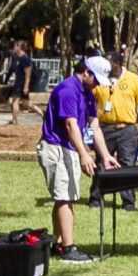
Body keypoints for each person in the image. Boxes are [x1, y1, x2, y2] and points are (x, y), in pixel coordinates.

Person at [38, 57, 109, 264]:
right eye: (96, 79)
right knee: (65, 198)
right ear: (86, 72)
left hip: (69, 148)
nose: (97, 84)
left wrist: (105, 155)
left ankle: (59, 242)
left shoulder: (88, 93)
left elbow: (93, 126)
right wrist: (84, 154)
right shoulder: (67, 90)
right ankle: (68, 249)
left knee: (67, 196)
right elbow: (70, 126)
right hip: (56, 147)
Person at [98, 49, 138, 210]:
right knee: (100, 163)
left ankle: (128, 201)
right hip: (104, 128)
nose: (106, 67)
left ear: (118, 63)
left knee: (127, 165)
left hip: (127, 130)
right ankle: (96, 197)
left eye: (109, 63)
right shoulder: (100, 80)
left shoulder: (135, 81)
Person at [0, 39, 34, 123]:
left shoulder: (25, 59)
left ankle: (14, 120)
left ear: (20, 47)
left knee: (15, 101)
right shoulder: (16, 58)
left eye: (16, 46)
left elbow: (28, 74)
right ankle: (42, 114)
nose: (14, 47)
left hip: (22, 84)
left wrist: (26, 86)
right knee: (26, 103)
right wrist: (5, 81)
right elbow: (11, 70)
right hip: (17, 83)